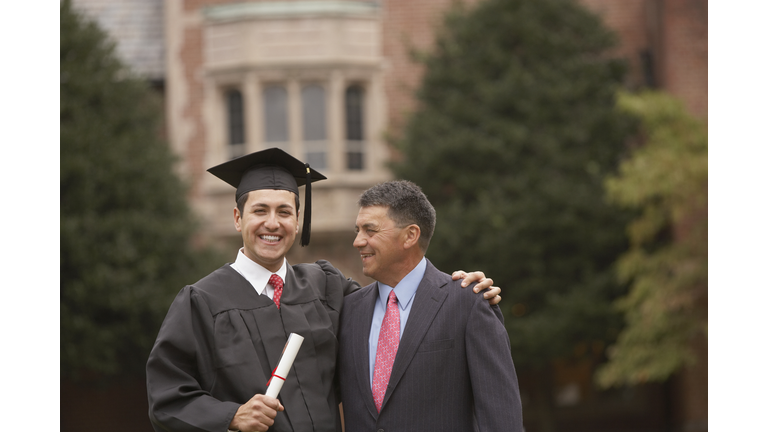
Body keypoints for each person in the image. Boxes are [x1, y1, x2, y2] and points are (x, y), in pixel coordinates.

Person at [146, 148, 502, 432]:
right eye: (260, 211)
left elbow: (397, 310)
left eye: (285, 211)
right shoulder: (202, 300)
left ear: (297, 221)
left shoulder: (327, 286)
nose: (273, 223)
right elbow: (167, 399)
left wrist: (456, 287)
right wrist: (231, 416)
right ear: (238, 219)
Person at [338, 180, 524, 431]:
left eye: (370, 230)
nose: (358, 241)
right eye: (357, 231)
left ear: (410, 235)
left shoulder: (468, 303)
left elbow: (501, 418)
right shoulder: (348, 310)